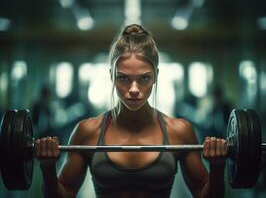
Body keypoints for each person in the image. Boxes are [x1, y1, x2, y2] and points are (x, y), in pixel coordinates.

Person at [35, 24, 228, 198]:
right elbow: (64, 194)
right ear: (111, 75)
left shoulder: (179, 131)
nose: (134, 89)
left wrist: (218, 166)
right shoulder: (87, 132)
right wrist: (47, 167)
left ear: (156, 76)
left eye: (144, 78)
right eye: (124, 78)